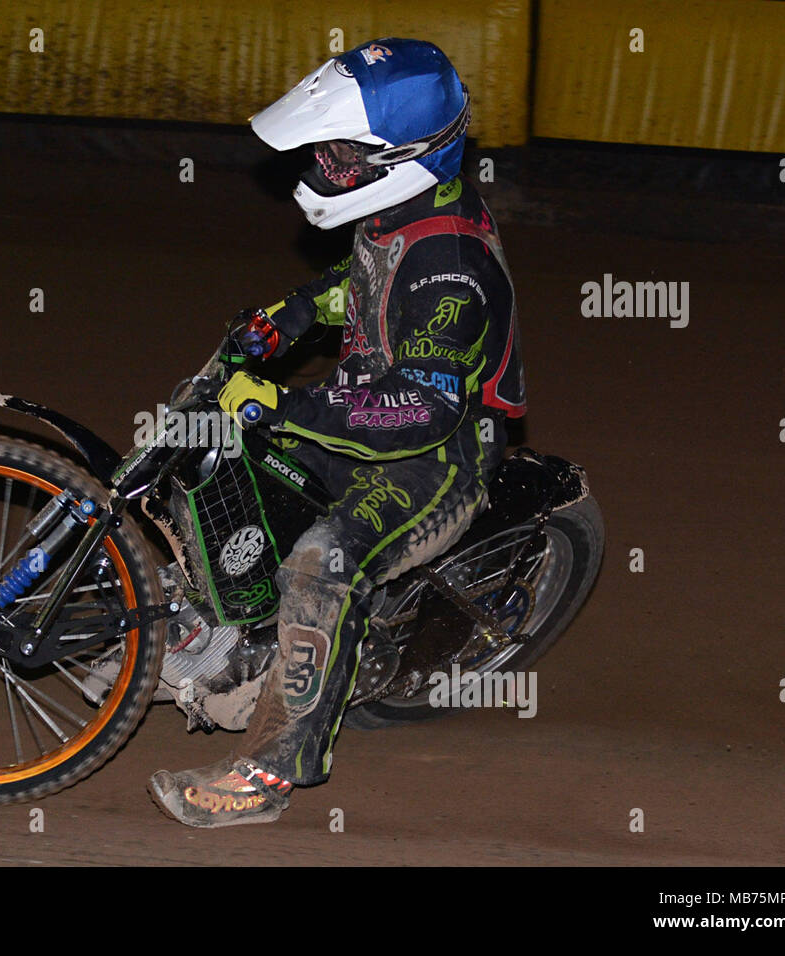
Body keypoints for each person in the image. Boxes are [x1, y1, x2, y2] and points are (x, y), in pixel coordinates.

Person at [148, 38, 526, 827]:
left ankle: (274, 774)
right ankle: (213, 622)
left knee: (322, 565)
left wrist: (282, 408)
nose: (327, 165)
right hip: (367, 406)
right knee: (205, 448)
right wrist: (288, 316)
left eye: (345, 153)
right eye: (327, 148)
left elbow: (422, 408)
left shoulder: (453, 266)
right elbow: (361, 283)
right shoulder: (400, 209)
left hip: (436, 456)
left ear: (409, 156)